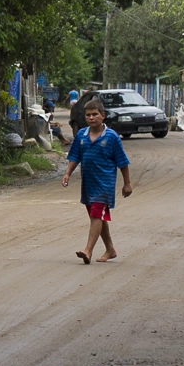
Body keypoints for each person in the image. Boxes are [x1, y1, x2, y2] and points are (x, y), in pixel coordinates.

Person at [62, 101, 132, 263]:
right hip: (88, 184)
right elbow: (75, 157)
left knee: (96, 215)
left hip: (104, 184)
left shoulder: (112, 137)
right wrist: (67, 174)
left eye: (95, 114)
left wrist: (127, 183)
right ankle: (110, 249)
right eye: (88, 115)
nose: (91, 118)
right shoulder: (81, 135)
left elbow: (122, 161)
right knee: (97, 217)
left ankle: (88, 251)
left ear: (102, 116)